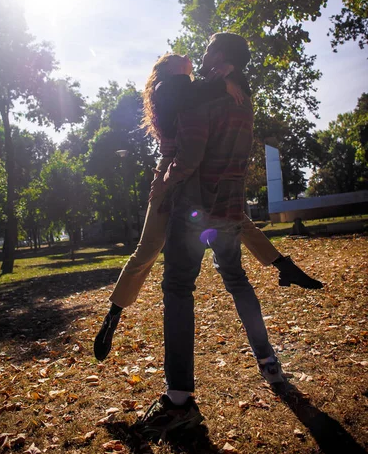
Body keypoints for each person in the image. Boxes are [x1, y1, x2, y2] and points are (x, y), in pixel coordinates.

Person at [93, 51, 323, 364]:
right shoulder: (165, 89)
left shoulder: (191, 87)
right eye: (178, 56)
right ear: (167, 69)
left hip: (197, 173)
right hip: (170, 175)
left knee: (238, 219)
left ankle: (284, 266)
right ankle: (113, 315)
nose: (186, 54)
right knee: (147, 250)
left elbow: (209, 91)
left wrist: (228, 75)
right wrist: (220, 84)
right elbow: (194, 93)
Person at [135, 33, 307, 440]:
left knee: (177, 289)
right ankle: (270, 364)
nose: (203, 54)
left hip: (195, 211)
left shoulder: (200, 99)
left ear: (222, 58)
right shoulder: (242, 99)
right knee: (237, 281)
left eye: (210, 49)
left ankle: (178, 401)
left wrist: (165, 185)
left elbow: (191, 157)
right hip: (231, 210)